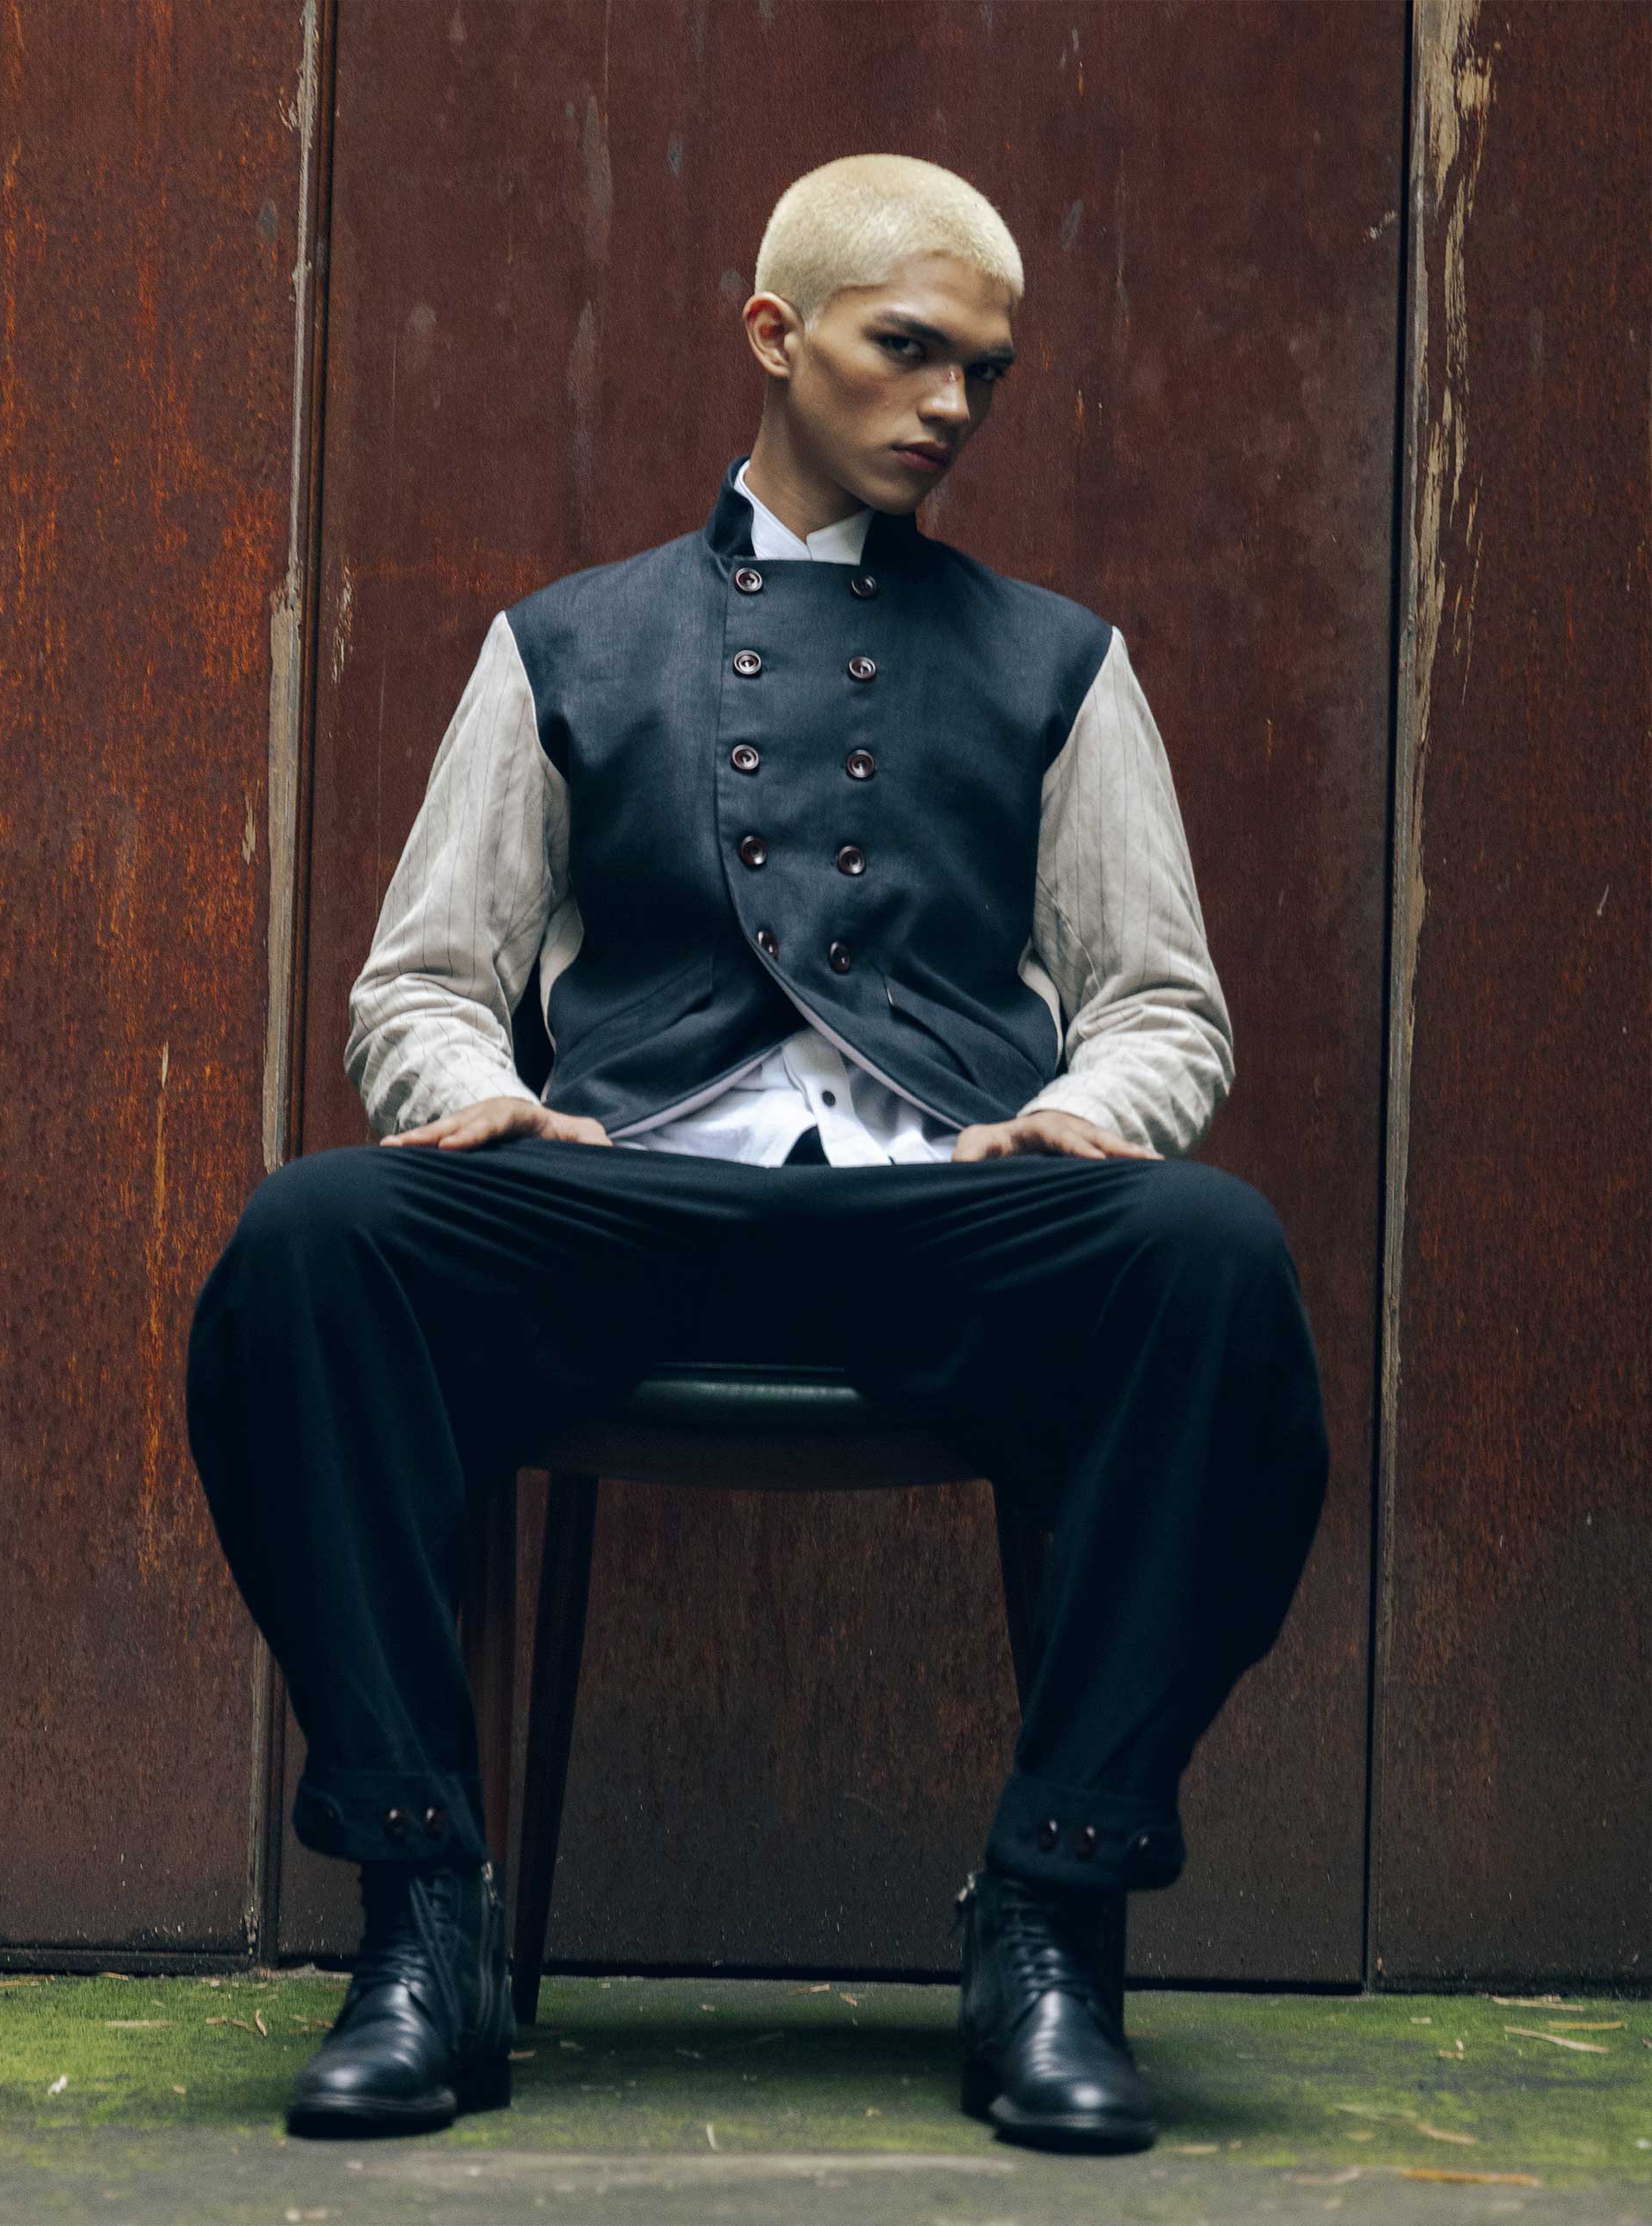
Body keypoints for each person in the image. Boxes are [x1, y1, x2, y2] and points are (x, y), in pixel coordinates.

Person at [184, 151, 1330, 2155]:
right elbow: (425, 978)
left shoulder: (1063, 659)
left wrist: (1078, 1123)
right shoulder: (562, 642)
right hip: (628, 1199)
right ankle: (421, 1916)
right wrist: (468, 1090)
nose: (953, 403)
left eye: (985, 370)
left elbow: (1163, 1003)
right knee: (312, 1237)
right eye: (910, 349)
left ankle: (1049, 1911)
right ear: (775, 335)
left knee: (1214, 1255)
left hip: (946, 1213)